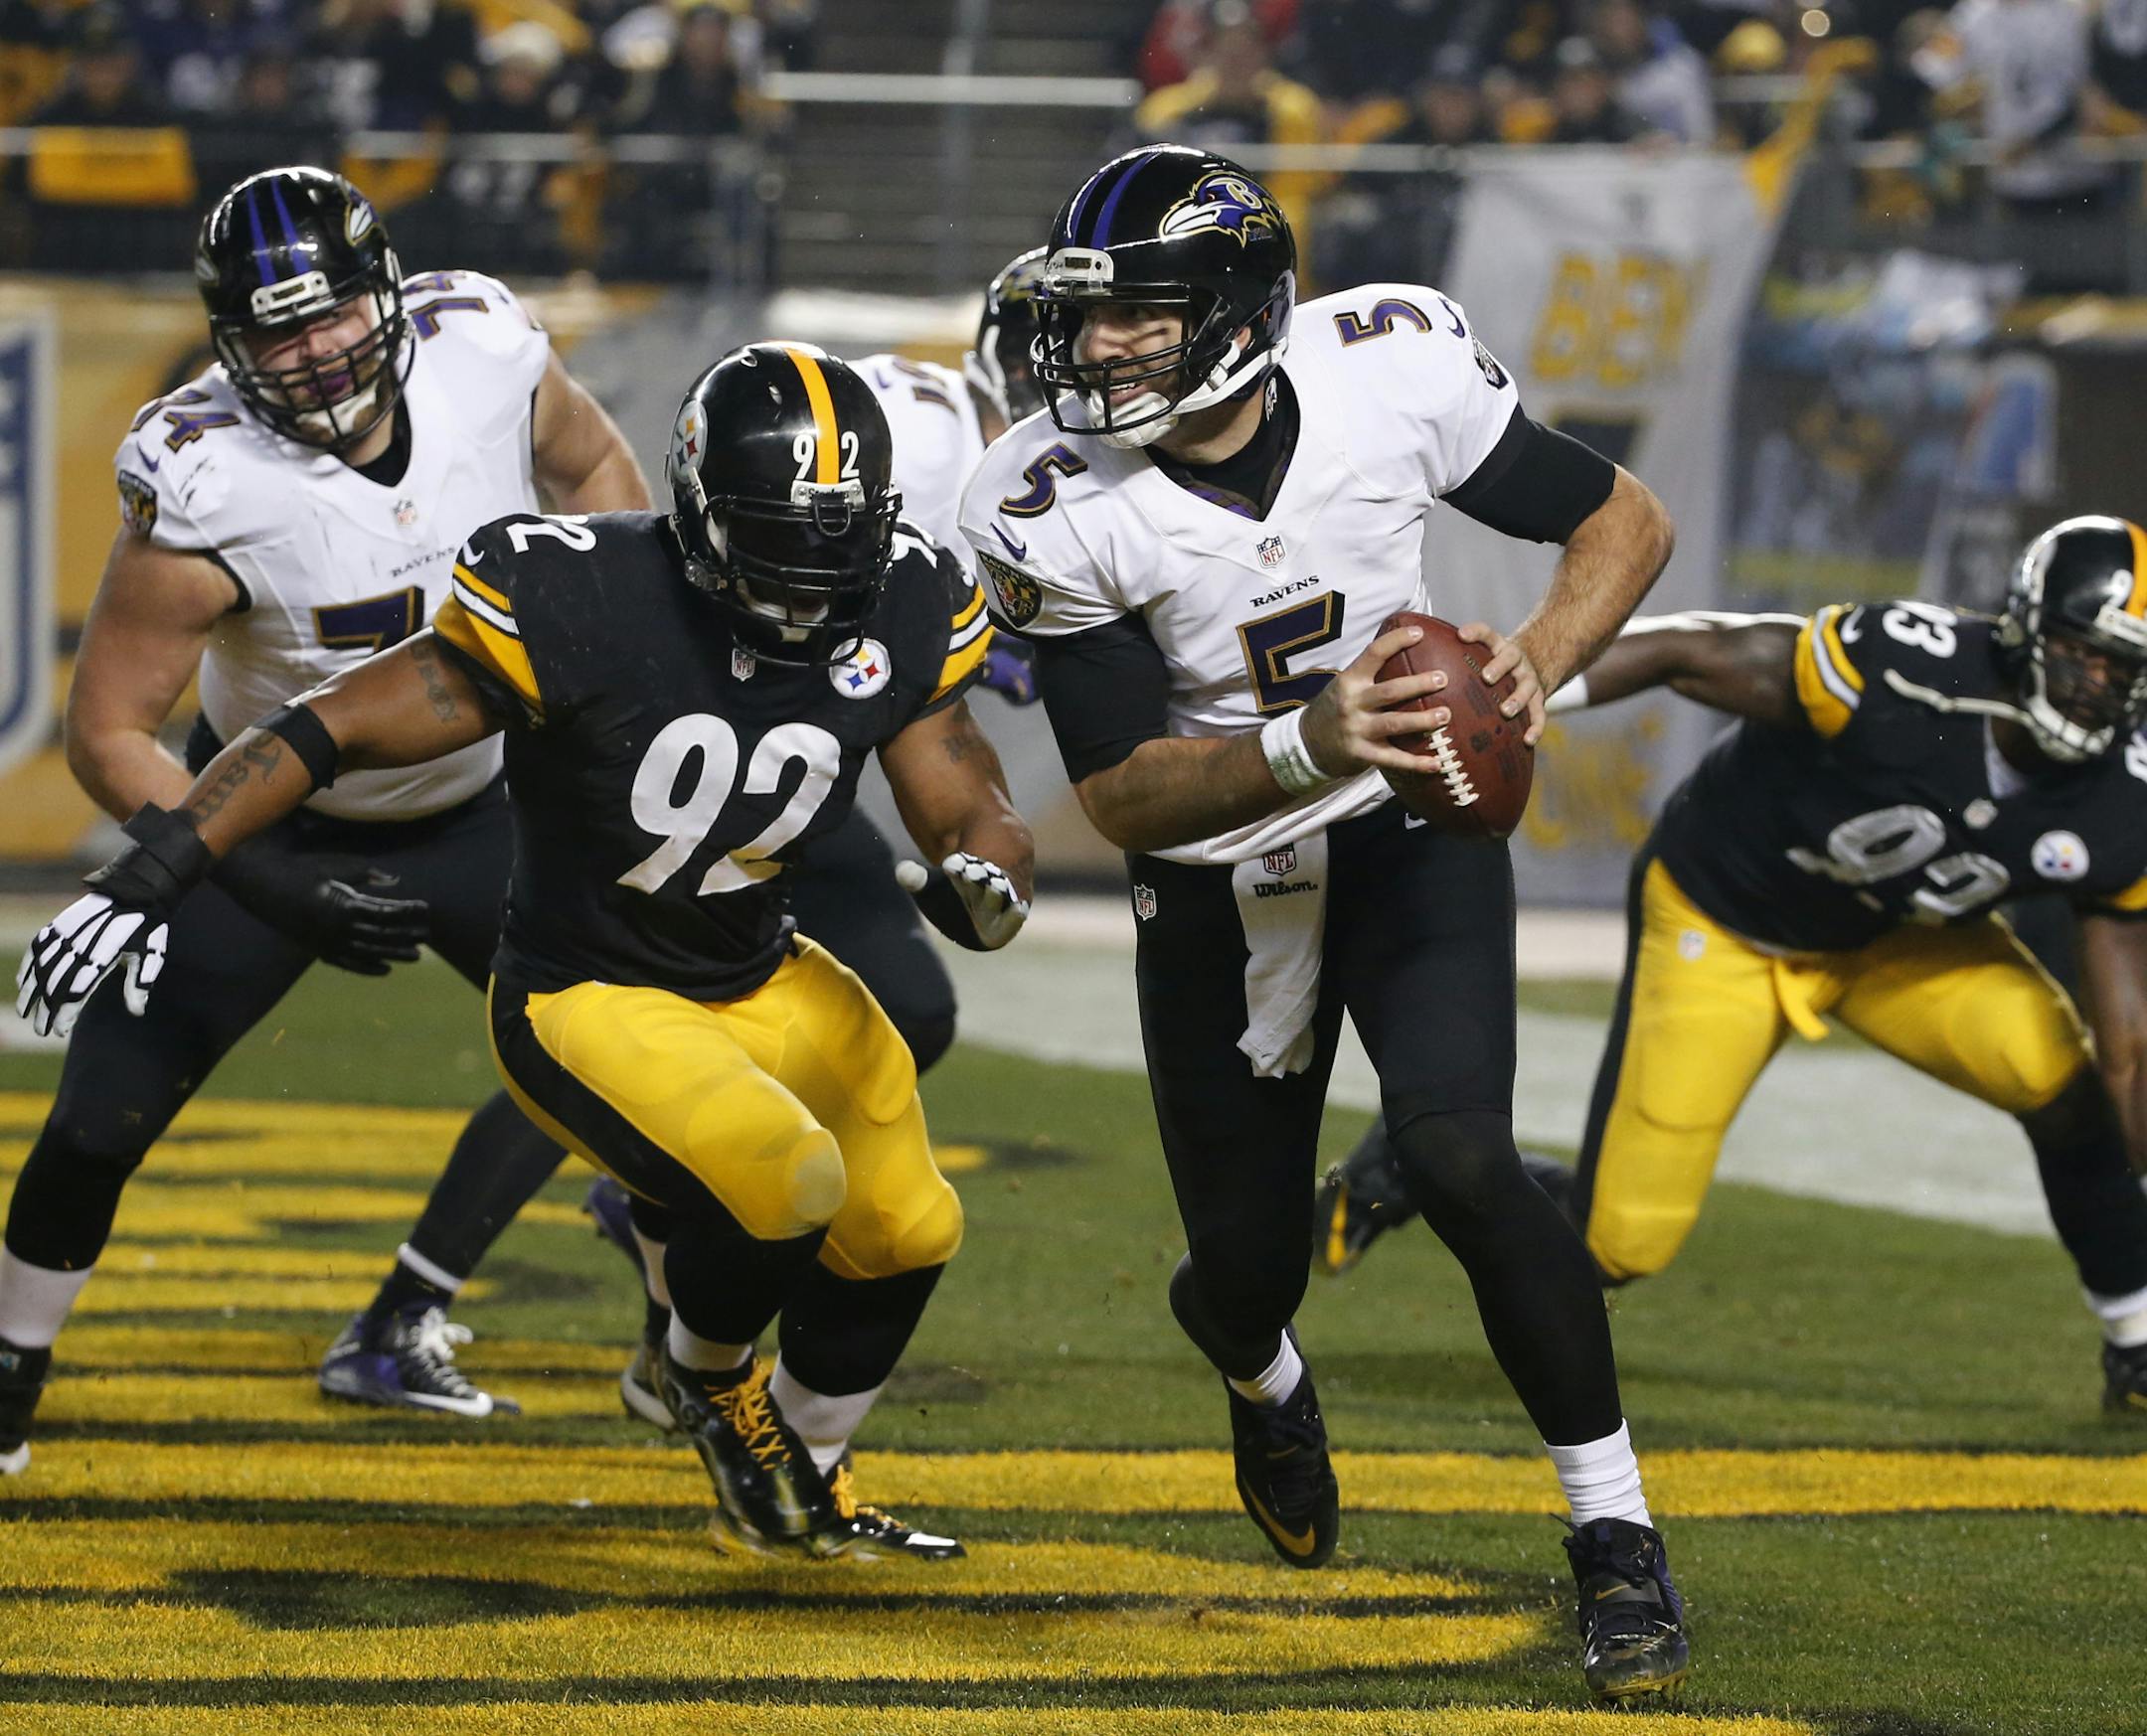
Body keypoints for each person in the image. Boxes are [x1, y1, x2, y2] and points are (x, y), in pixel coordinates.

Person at [18, 341, 1034, 1558]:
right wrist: (154, 868)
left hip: (761, 966)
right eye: (783, 536)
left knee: (914, 1226)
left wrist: (996, 875)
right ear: (705, 513)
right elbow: (320, 729)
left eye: (841, 537)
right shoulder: (583, 596)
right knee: (785, 1180)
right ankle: (709, 1382)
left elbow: (964, 796)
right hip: (591, 988)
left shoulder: (907, 595)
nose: (816, 577)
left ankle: (808, 1475)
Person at [958, 144, 1688, 1701]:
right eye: (1087, 322)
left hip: (1407, 829)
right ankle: (1261, 1370)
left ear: (1230, 311)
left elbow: (1623, 518)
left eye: (1137, 321)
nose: (1095, 352)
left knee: (1461, 1149)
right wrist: (1307, 741)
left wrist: (1532, 668)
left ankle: (1617, 1537)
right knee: (1245, 1267)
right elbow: (1120, 795)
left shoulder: (1389, 367)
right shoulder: (1045, 502)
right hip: (1222, 866)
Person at [0, 165, 651, 1478]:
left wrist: (610, 661)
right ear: (232, 343)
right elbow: (110, 727)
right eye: (277, 331)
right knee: (100, 1119)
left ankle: (690, 1354)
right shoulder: (206, 473)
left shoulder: (484, 349)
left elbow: (594, 471)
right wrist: (256, 881)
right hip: (265, 818)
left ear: (386, 296)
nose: (312, 353)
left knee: (629, 1063)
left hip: (485, 800)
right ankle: (9, 1371)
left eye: (331, 316)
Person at [1319, 521, 2147, 1417]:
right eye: (2082, 653)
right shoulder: (1912, 673)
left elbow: (2131, 1053)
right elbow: (1686, 651)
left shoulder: (2124, 794)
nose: (2100, 685)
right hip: (1728, 915)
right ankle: (1409, 1166)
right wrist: (1529, 675)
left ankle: (2137, 1338)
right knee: (1615, 1243)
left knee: (2063, 1081)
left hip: (1899, 940)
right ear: (2026, 628)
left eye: (2125, 666)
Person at [580, 252, 1051, 1435]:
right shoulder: (929, 435)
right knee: (618, 1009)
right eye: (1077, 344)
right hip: (718, 753)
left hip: (807, 769)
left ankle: (675, 1261)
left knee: (883, 1024)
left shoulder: (1105, 482)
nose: (1096, 369)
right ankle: (607, 1240)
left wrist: (992, 846)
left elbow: (958, 720)